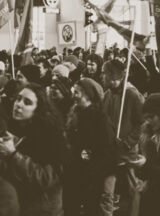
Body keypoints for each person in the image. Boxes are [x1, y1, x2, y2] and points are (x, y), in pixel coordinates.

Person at [0, 83, 67, 216]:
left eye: (27, 102)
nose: (18, 104)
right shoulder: (16, 127)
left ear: (38, 110)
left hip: (42, 210)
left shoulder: (53, 137)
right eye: (18, 99)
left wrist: (13, 154)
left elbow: (45, 178)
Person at [64, 77, 117, 216]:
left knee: (90, 209)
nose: (73, 96)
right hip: (73, 171)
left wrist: (92, 168)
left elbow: (107, 150)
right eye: (73, 92)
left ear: (87, 95)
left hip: (91, 175)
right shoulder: (74, 113)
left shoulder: (100, 118)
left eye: (77, 93)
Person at [101, 59, 144, 216]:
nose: (101, 76)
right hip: (110, 150)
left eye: (104, 73)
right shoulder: (106, 95)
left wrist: (127, 143)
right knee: (107, 189)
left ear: (113, 76)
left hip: (127, 150)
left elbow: (141, 124)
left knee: (132, 186)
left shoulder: (132, 95)